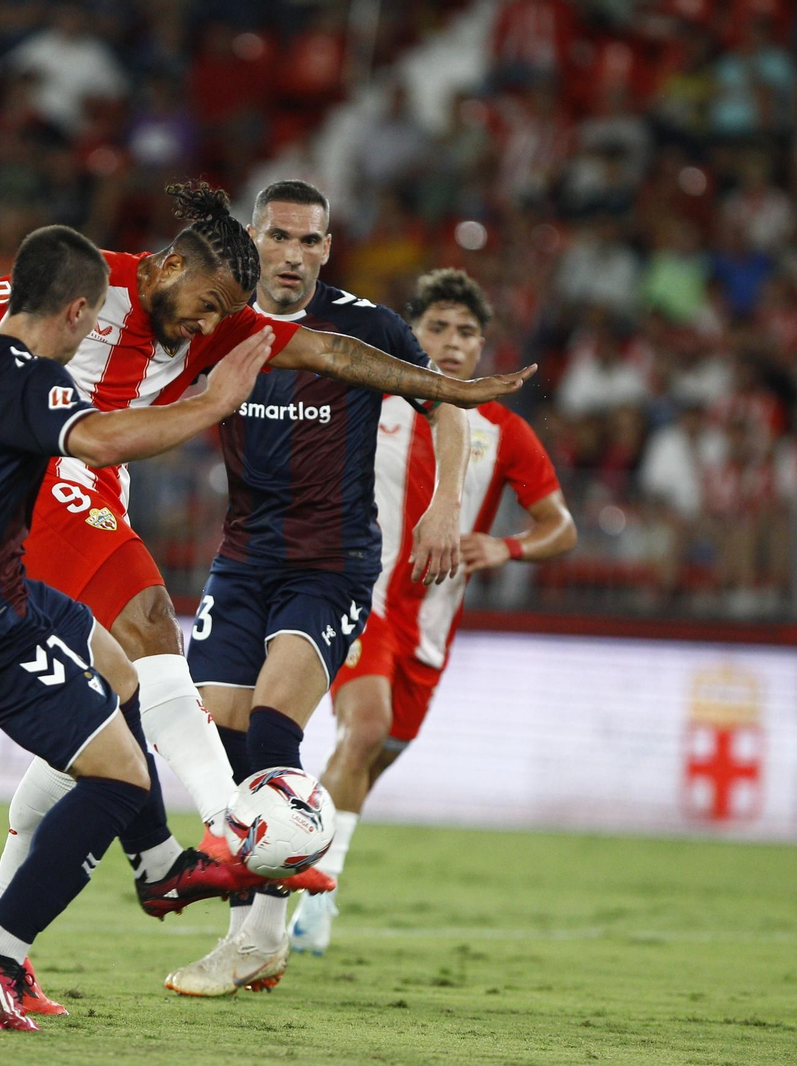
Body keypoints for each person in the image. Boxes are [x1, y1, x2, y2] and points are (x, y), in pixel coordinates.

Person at [0, 182, 534, 996]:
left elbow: (337, 355)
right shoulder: (87, 276)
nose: (206, 328)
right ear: (189, 259)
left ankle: (5, 935)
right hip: (59, 479)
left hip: (268, 542)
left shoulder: (255, 324)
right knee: (146, 643)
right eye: (207, 304)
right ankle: (221, 836)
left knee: (112, 718)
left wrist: (451, 391)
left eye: (311, 241)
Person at [0, 224, 279, 1032]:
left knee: (126, 675)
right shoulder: (26, 380)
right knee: (117, 779)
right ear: (76, 311)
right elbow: (103, 441)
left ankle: (158, 866)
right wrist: (212, 402)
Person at [167, 180, 470, 996]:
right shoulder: (219, 321)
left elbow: (449, 407)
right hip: (240, 561)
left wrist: (443, 508)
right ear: (252, 241)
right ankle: (257, 924)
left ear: (327, 249)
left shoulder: (366, 327)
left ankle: (259, 937)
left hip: (330, 564)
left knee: (273, 727)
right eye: (278, 238)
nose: (293, 255)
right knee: (224, 742)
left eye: (309, 241)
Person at [289, 269, 577, 955]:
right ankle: (309, 905)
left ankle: (294, 860)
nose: (451, 344)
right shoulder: (373, 398)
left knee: (370, 757)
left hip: (430, 630)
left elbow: (560, 527)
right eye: (437, 328)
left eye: (467, 332)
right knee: (365, 730)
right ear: (411, 335)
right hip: (363, 600)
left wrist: (505, 546)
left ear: (483, 346)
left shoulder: (503, 431)